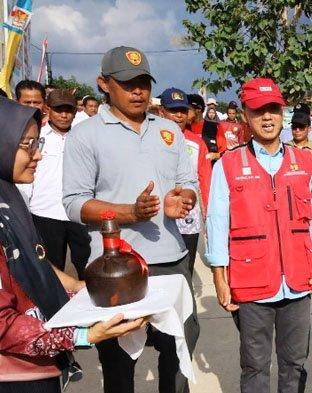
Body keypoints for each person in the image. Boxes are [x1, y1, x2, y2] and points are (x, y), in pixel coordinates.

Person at [62, 46, 200, 393]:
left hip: (172, 261)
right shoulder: (86, 134)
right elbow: (74, 204)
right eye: (126, 83)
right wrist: (130, 213)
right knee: (120, 364)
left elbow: (190, 183)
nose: (138, 91)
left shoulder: (169, 130)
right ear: (104, 84)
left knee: (179, 353)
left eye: (143, 83)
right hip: (115, 270)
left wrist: (182, 200)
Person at [0, 97, 147, 393]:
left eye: (37, 144)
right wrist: (83, 335)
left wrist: (79, 289)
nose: (37, 155)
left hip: (39, 365)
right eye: (27, 145)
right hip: (13, 376)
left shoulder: (9, 196)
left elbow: (33, 261)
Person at [205, 77, 312, 393]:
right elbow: (217, 222)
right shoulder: (229, 164)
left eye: (273, 109)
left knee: (295, 363)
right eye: (258, 110)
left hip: (298, 279)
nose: (267, 117)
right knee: (255, 365)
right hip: (251, 281)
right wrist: (220, 277)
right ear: (245, 115)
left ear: (282, 112)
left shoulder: (304, 161)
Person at [15, 89, 91, 280]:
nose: (64, 115)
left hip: (79, 213)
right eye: (59, 110)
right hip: (45, 212)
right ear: (49, 109)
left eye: (68, 110)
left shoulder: (84, 137)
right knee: (51, 270)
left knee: (88, 266)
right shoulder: (35, 137)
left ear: (75, 111)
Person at [160, 87, 212, 275]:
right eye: (173, 110)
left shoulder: (197, 143)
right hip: (159, 213)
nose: (179, 115)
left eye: (183, 110)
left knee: (186, 266)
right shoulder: (150, 139)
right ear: (162, 111)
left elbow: (205, 178)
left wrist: (208, 212)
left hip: (189, 215)